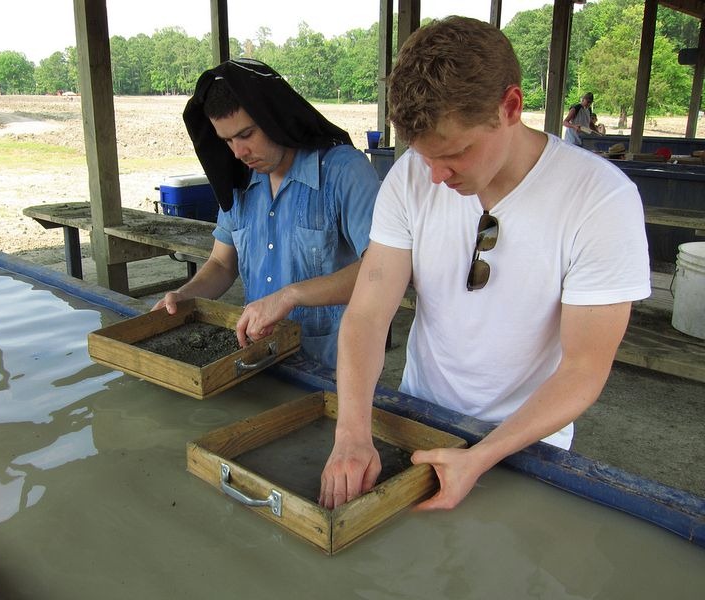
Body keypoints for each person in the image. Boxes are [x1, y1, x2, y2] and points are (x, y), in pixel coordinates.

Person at [319, 17, 650, 511]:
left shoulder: (600, 201)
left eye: (454, 153)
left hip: (527, 445)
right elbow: (368, 312)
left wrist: (482, 455)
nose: (434, 175)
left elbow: (583, 367)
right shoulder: (412, 177)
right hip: (417, 419)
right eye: (422, 155)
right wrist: (351, 433)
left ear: (510, 107)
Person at [151, 59, 380, 368]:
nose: (238, 152)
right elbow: (221, 263)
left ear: (276, 117)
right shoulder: (239, 181)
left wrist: (291, 295)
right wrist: (185, 295)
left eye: (246, 134)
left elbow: (382, 270)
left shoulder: (344, 172)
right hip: (259, 361)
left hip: (334, 366)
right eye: (227, 140)